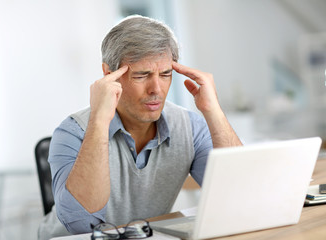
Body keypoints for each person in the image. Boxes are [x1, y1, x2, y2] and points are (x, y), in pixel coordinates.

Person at [38, 15, 242, 240]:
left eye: (165, 74)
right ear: (109, 75)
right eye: (142, 75)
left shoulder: (191, 128)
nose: (156, 89)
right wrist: (99, 121)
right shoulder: (72, 132)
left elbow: (239, 195)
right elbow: (82, 224)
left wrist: (213, 111)